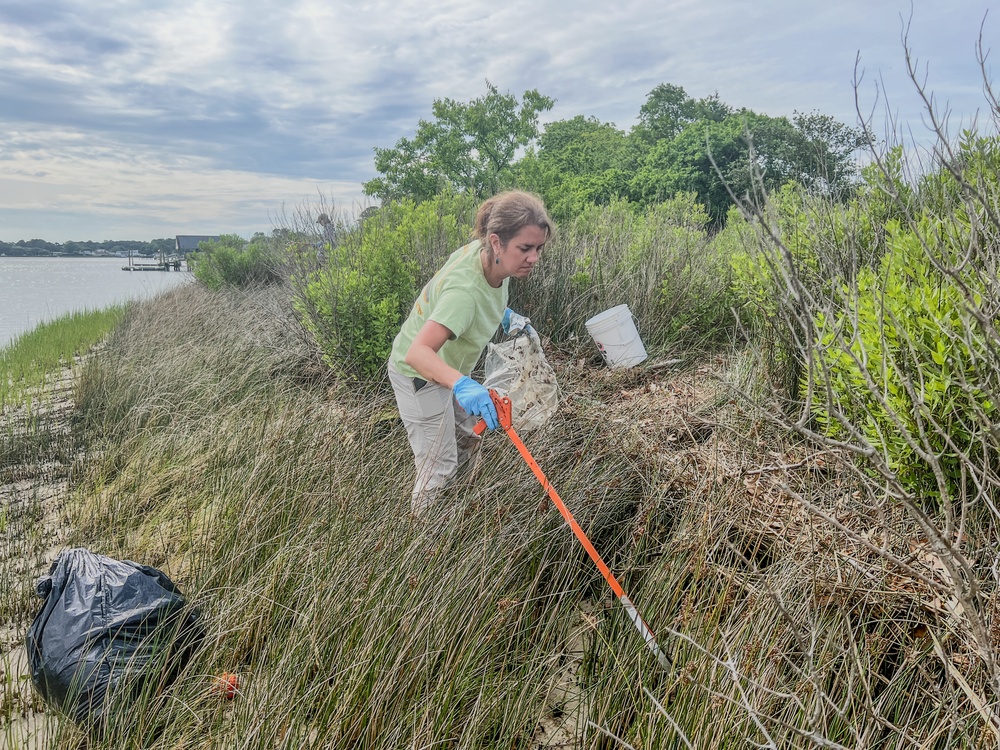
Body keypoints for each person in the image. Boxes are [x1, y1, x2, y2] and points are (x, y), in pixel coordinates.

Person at [388, 191, 553, 515]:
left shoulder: (488, 259)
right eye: (525, 248)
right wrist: (464, 385)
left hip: (449, 369)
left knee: (468, 438)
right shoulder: (463, 294)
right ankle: (424, 543)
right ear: (496, 242)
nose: (534, 258)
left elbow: (486, 293)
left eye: (538, 248)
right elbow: (417, 353)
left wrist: (505, 315)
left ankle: (457, 509)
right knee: (439, 467)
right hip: (419, 376)